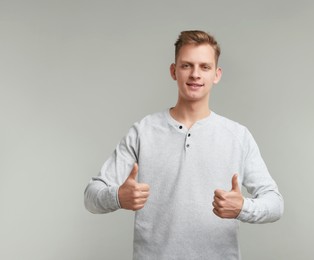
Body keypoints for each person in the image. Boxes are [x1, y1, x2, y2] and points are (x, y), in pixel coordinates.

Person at [84, 30, 284, 260]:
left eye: (205, 67)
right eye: (187, 65)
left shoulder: (237, 136)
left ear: (217, 75)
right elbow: (91, 195)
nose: (195, 74)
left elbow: (275, 203)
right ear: (173, 71)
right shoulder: (143, 131)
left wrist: (243, 208)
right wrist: (118, 197)